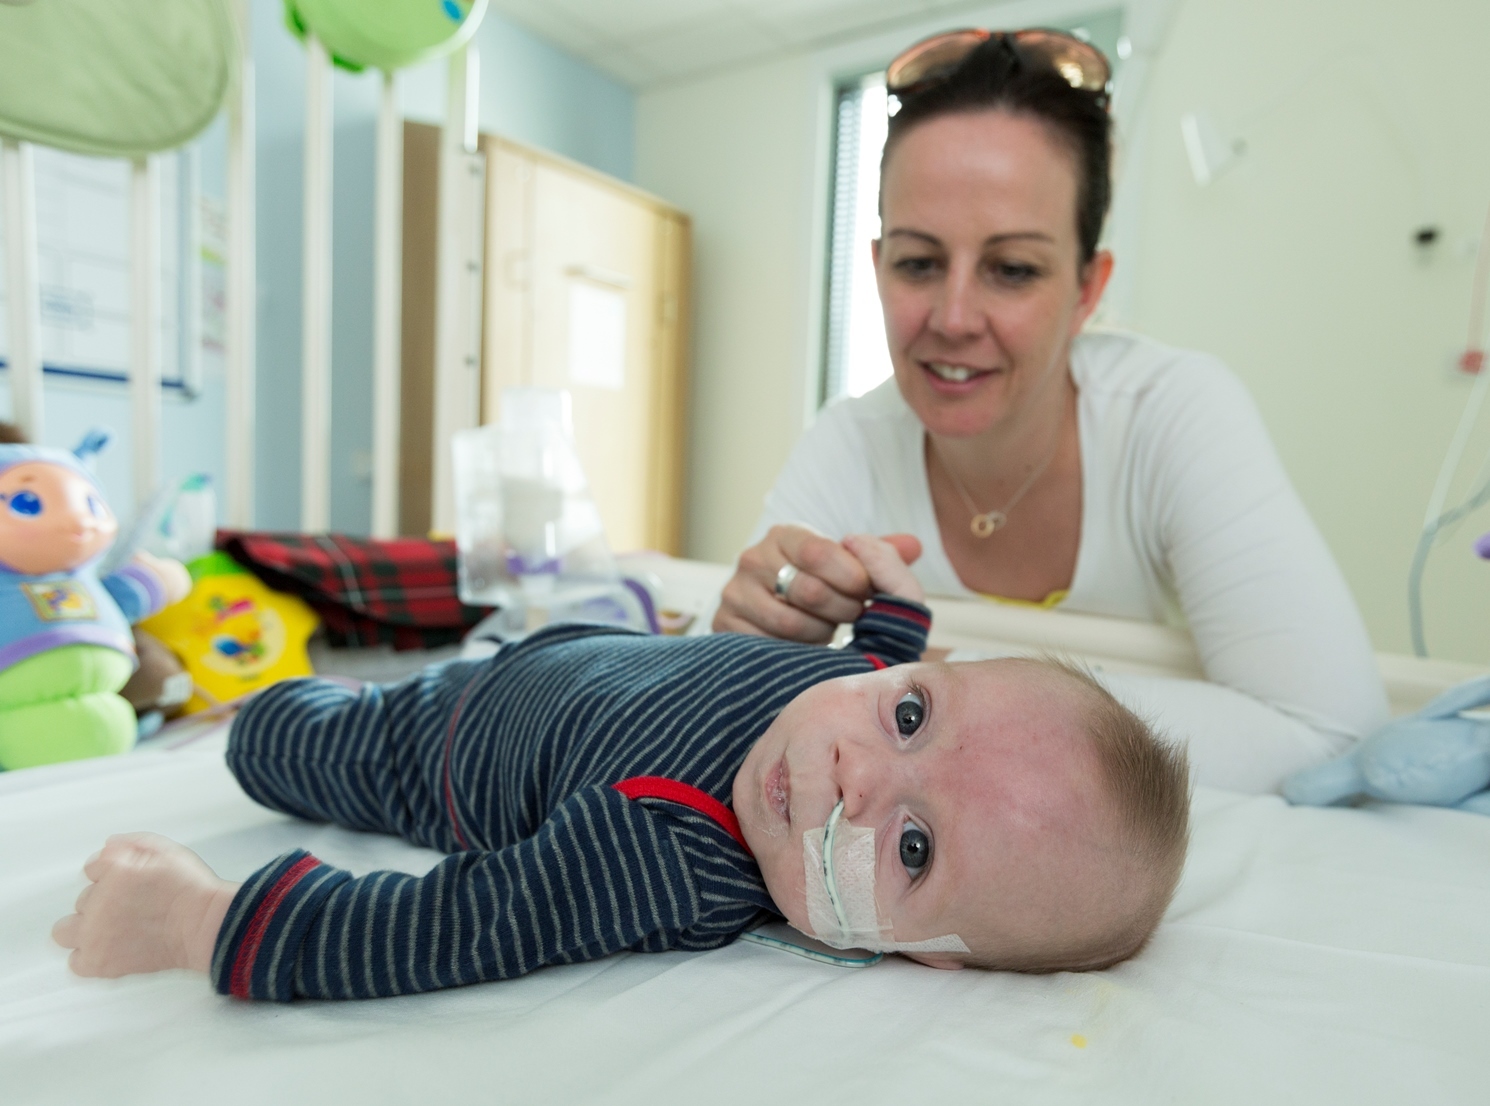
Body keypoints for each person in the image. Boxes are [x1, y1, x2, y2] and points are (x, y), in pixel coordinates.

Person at [53, 535, 1190, 1000]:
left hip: (429, 754)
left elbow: (444, 927)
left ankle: (246, 697)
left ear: (926, 957)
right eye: (910, 717)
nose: (853, 771)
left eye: (911, 845)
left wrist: (204, 922)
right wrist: (883, 594)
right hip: (554, 656)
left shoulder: (668, 854)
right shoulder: (844, 704)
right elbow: (884, 656)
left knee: (265, 733)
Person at [713, 29, 1387, 794]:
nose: (955, 316)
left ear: (1086, 291)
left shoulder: (1171, 415)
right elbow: (737, 709)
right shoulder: (849, 441)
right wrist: (740, 639)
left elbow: (1333, 734)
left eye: (1012, 269)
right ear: (876, 267)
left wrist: (944, 687)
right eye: (918, 262)